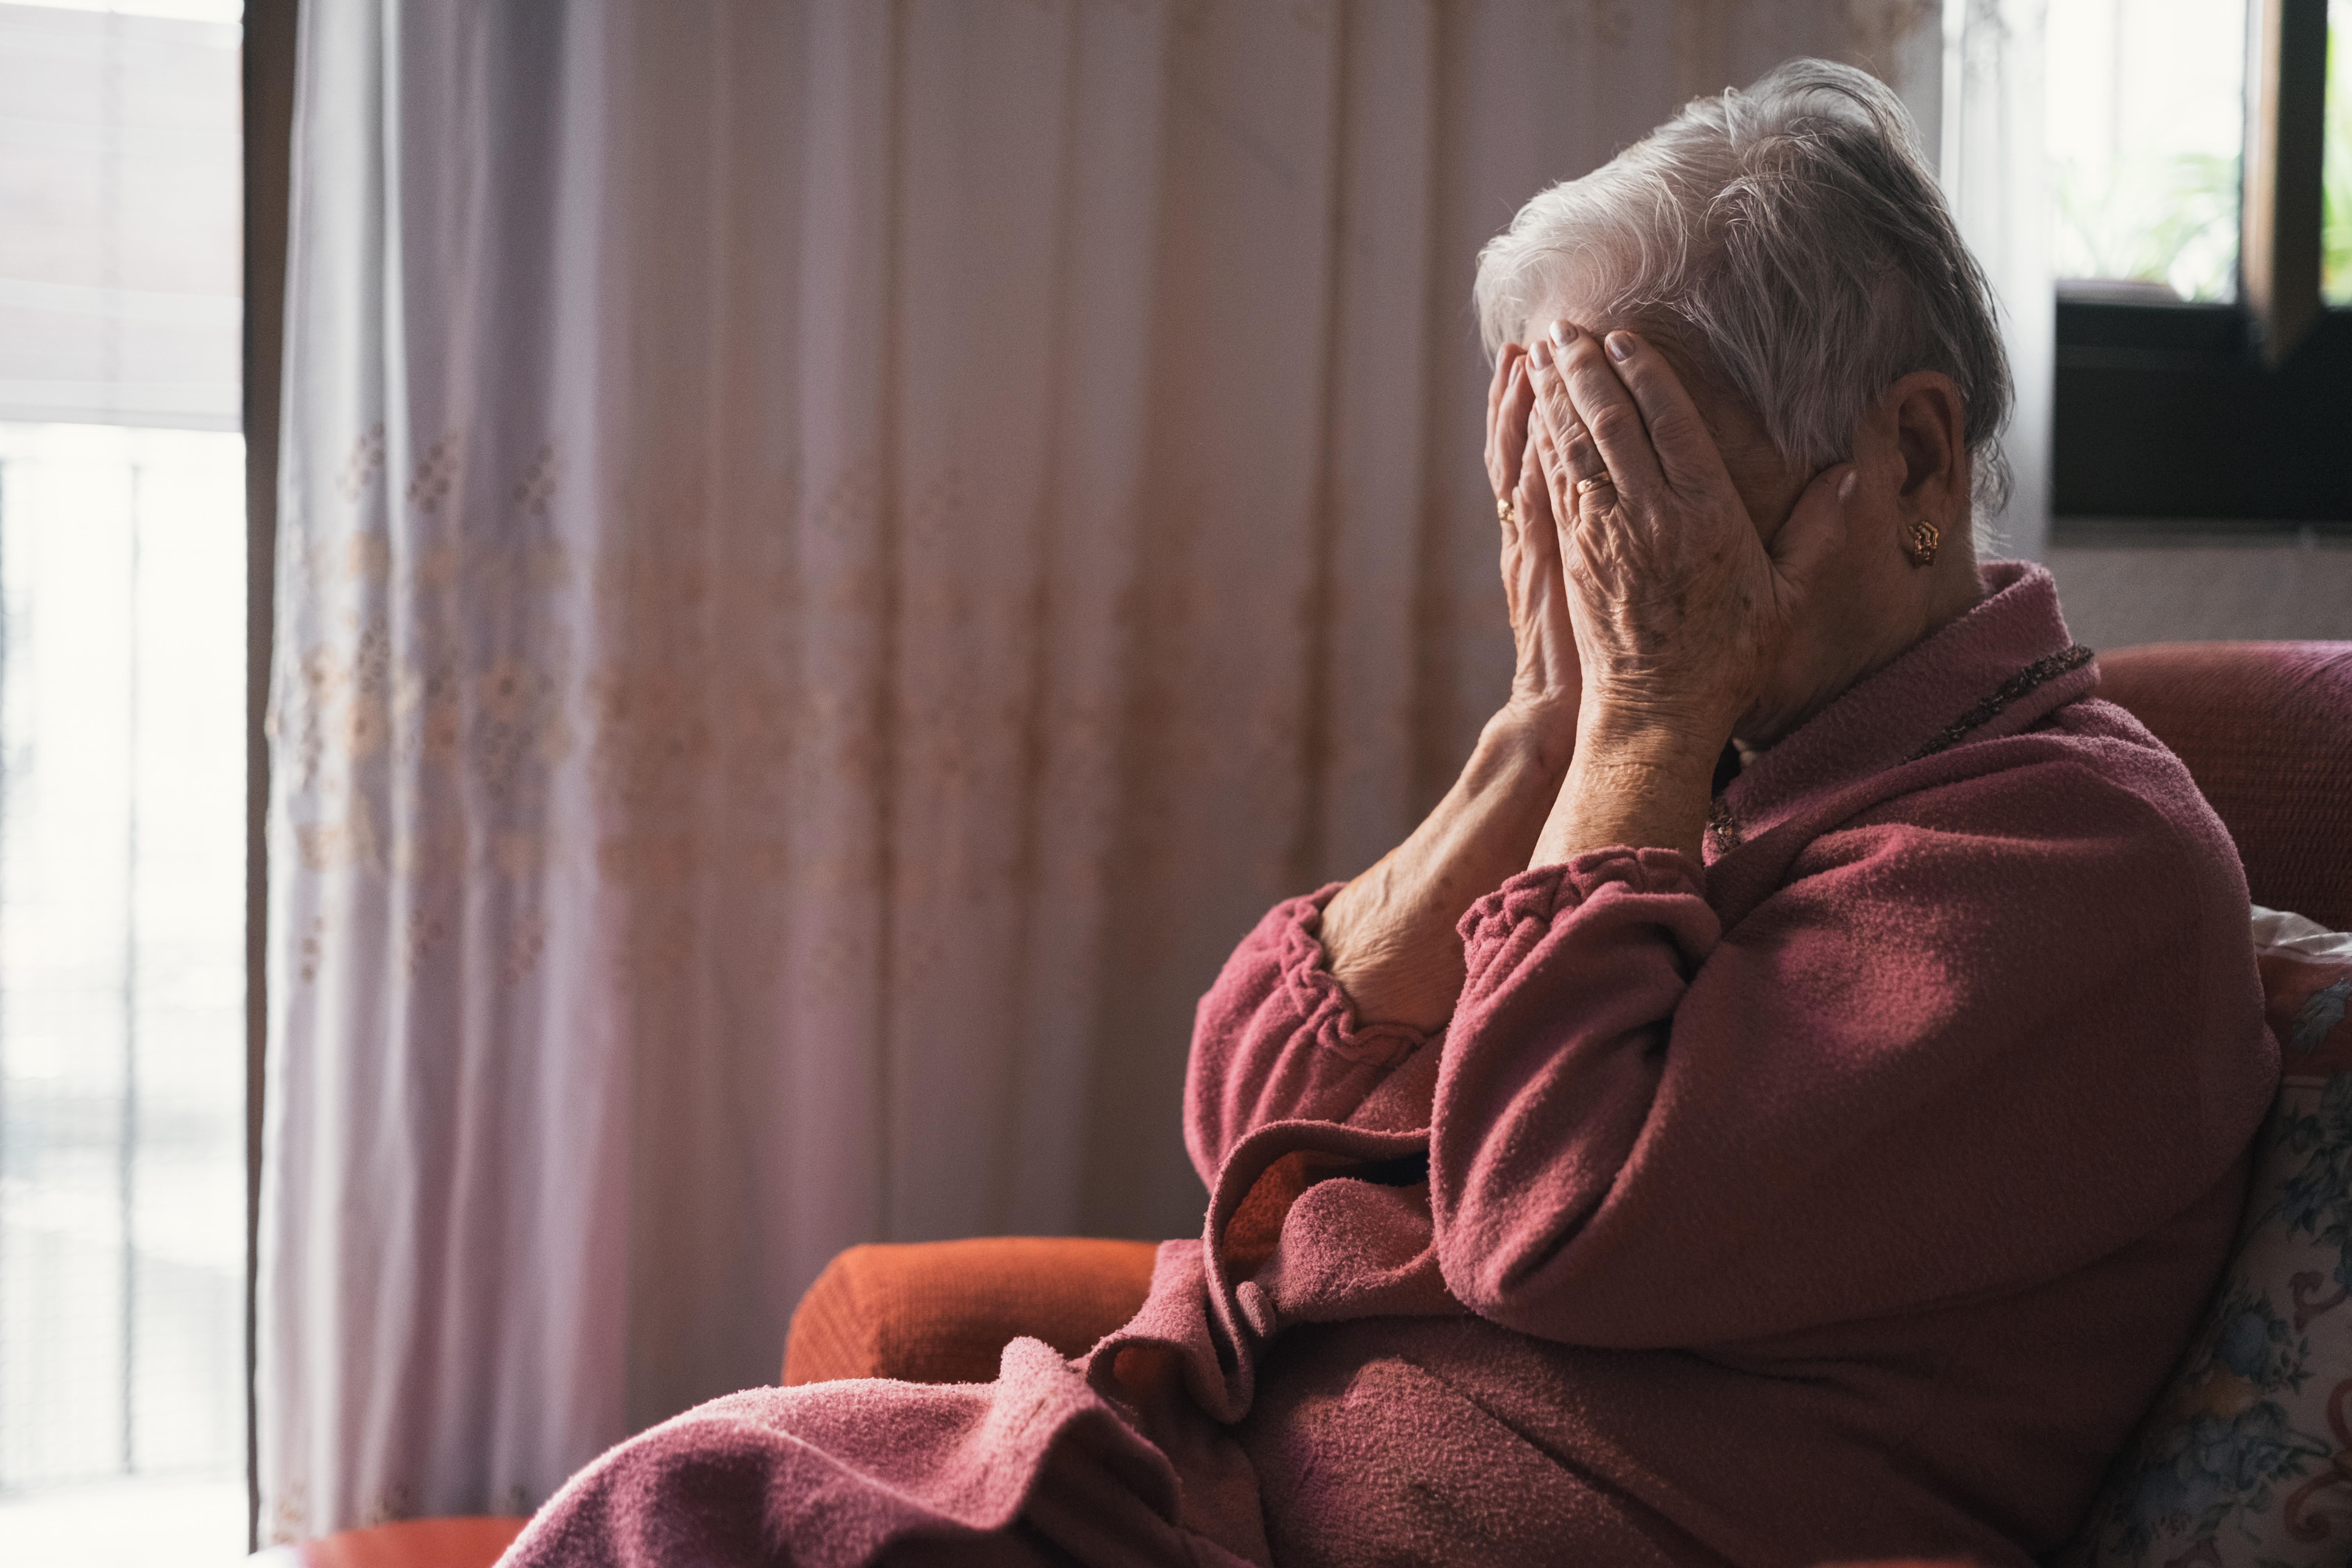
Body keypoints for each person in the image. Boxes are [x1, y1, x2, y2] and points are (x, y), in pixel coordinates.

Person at [500, 58, 2275, 1568]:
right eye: (1572, 484)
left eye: (1646, 483)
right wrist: (1540, 730)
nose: (1613, 566)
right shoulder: (1697, 761)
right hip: (1206, 1475)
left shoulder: (2077, 867)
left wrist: (1644, 725)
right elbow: (1247, 1105)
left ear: (1905, 457)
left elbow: (1550, 1217)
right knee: (682, 1502)